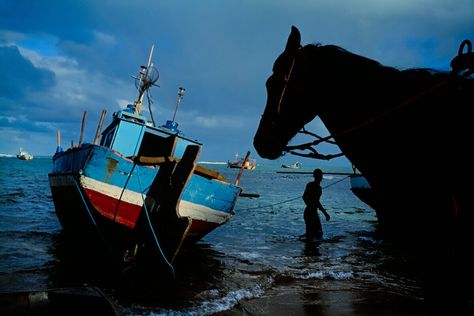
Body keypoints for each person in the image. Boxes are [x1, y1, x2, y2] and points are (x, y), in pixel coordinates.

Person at [302, 168, 330, 241]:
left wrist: (309, 204)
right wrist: (325, 213)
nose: (320, 178)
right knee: (315, 234)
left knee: (315, 234)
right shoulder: (316, 187)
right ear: (320, 177)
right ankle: (309, 250)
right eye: (320, 176)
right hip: (311, 213)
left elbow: (304, 197)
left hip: (310, 212)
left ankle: (309, 249)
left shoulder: (311, 185)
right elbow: (316, 202)